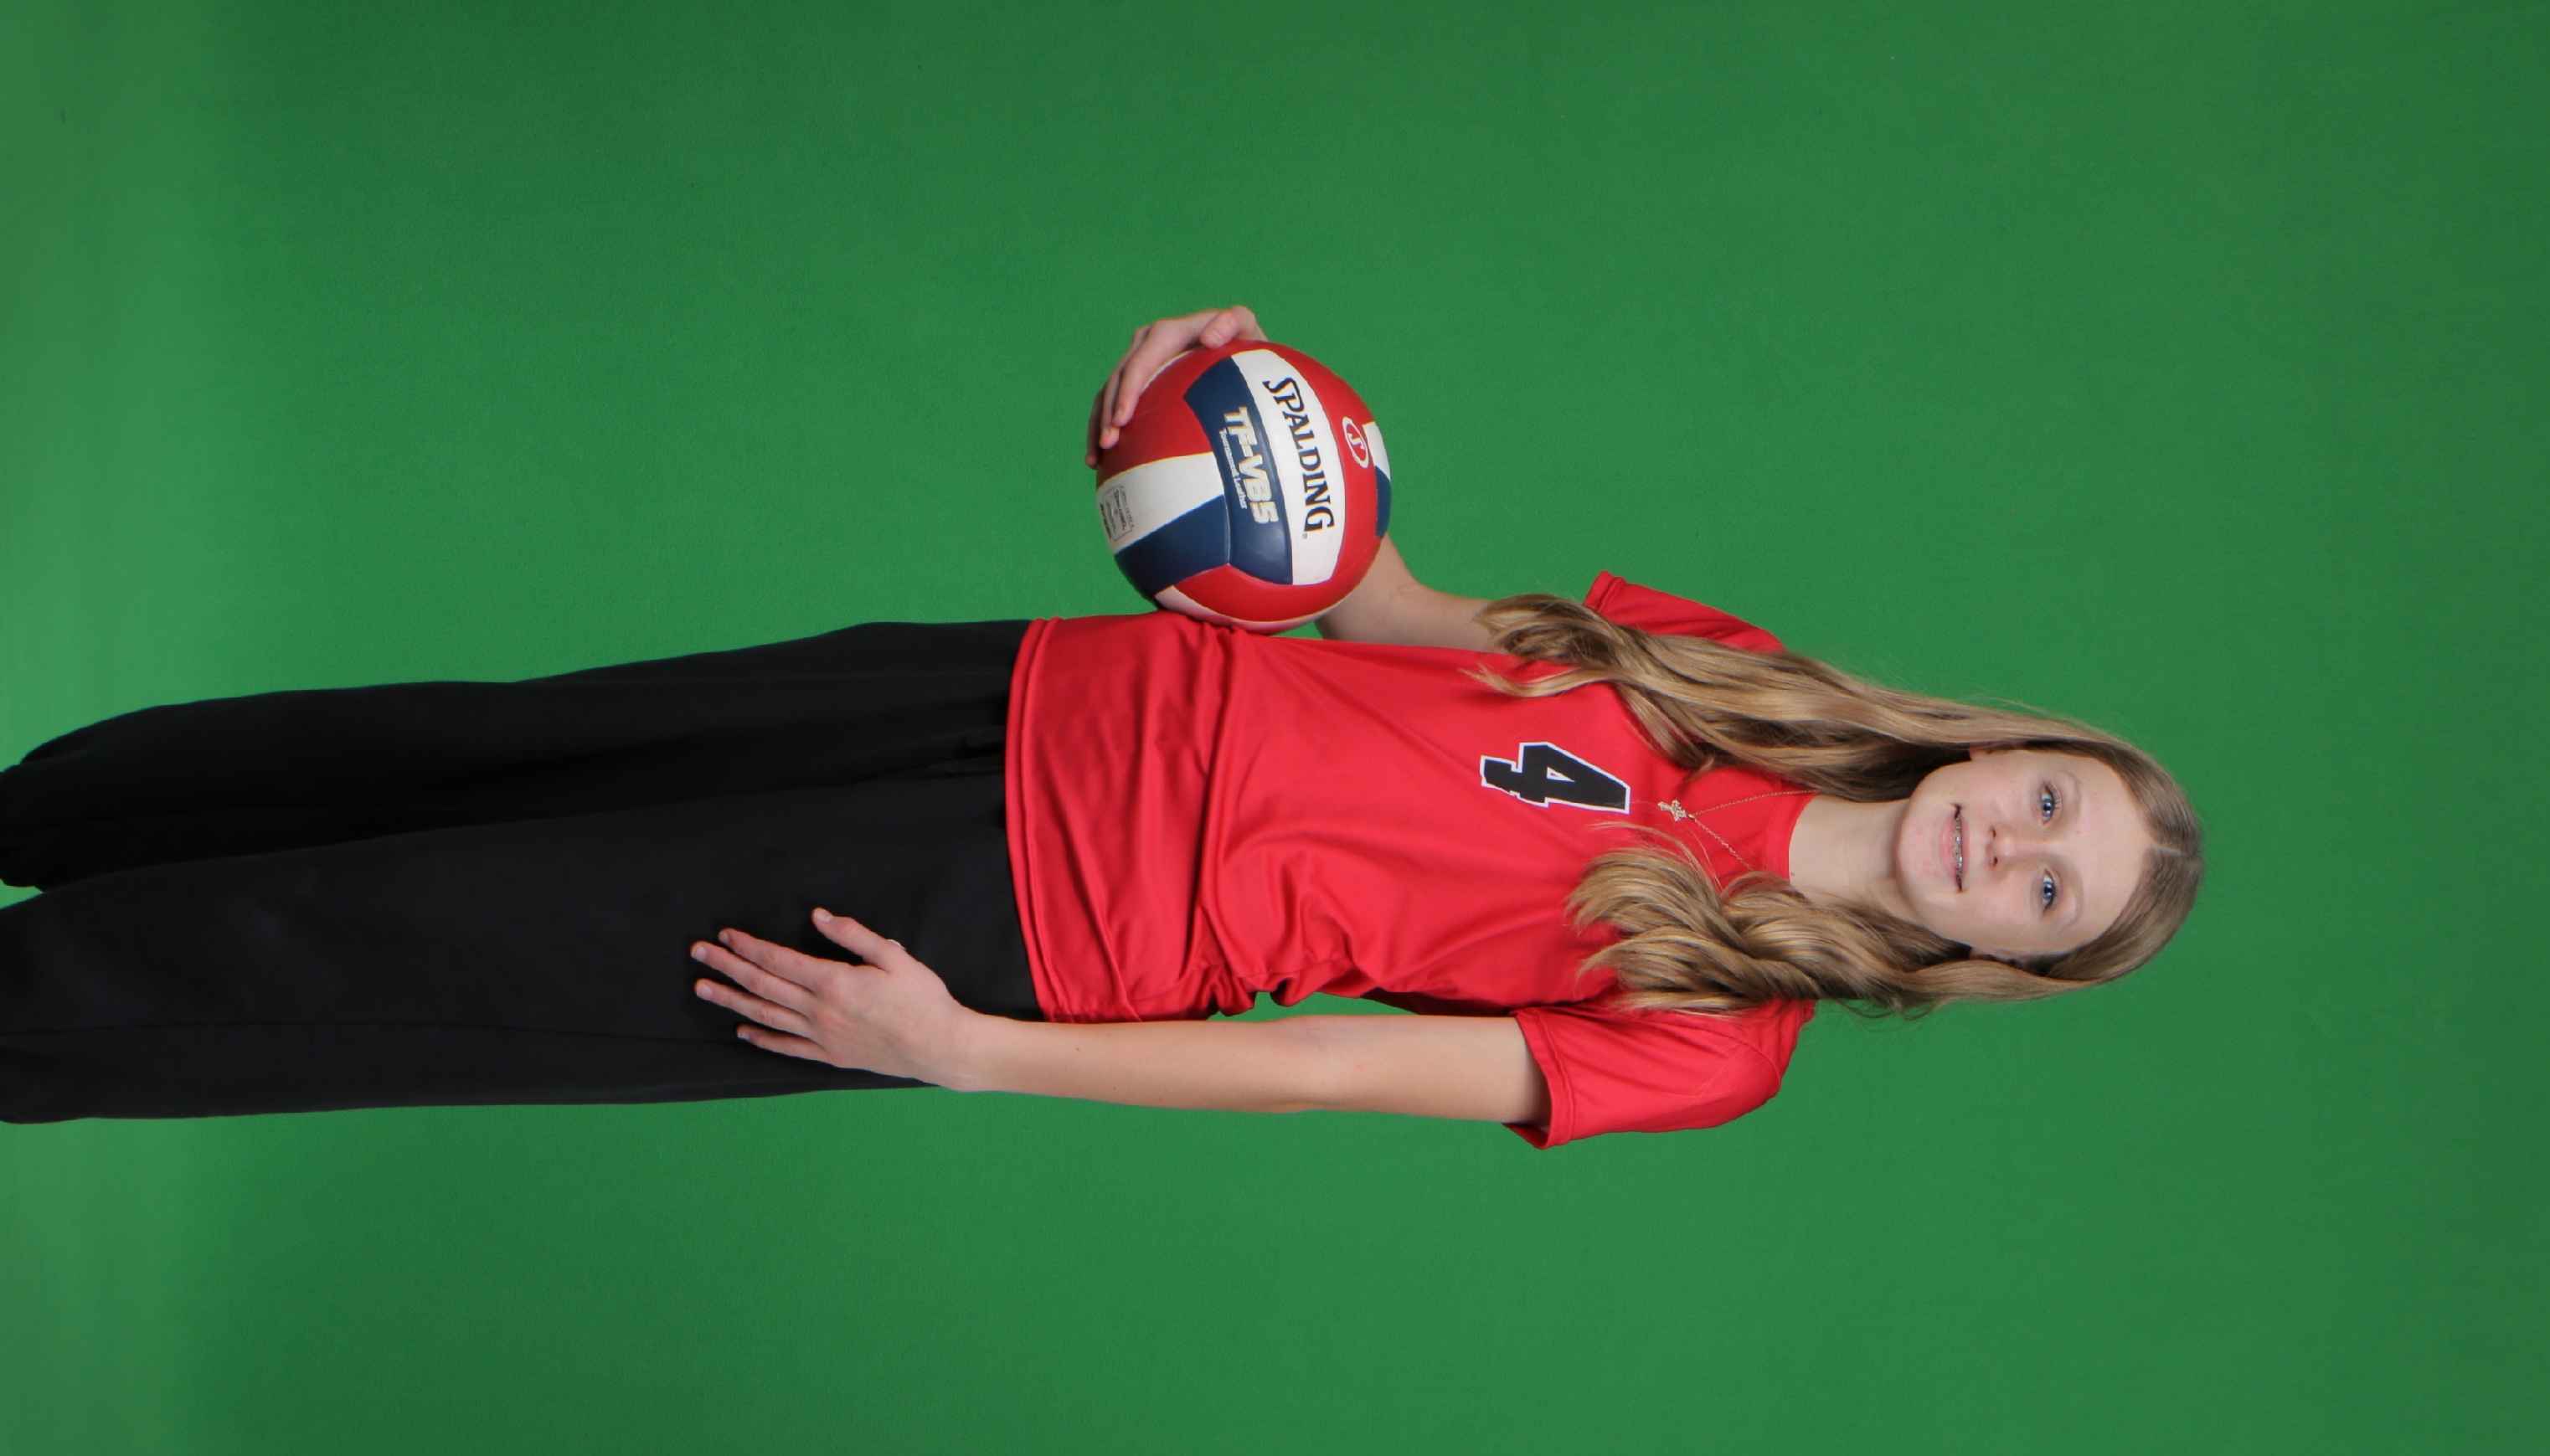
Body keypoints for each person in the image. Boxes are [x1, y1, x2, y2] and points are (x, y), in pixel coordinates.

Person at [0, 306, 2202, 1141]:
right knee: (452, 764)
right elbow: (1384, 612)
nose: (2007, 847)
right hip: (1011, 689)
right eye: (2044, 801)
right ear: (1993, 747)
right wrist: (1223, 451)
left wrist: (967, 1049)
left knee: (392, 953)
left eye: (2045, 891)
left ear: (2003, 958)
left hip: (1007, 914)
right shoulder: (1737, 675)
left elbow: (1335, 1066)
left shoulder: (1716, 1040)